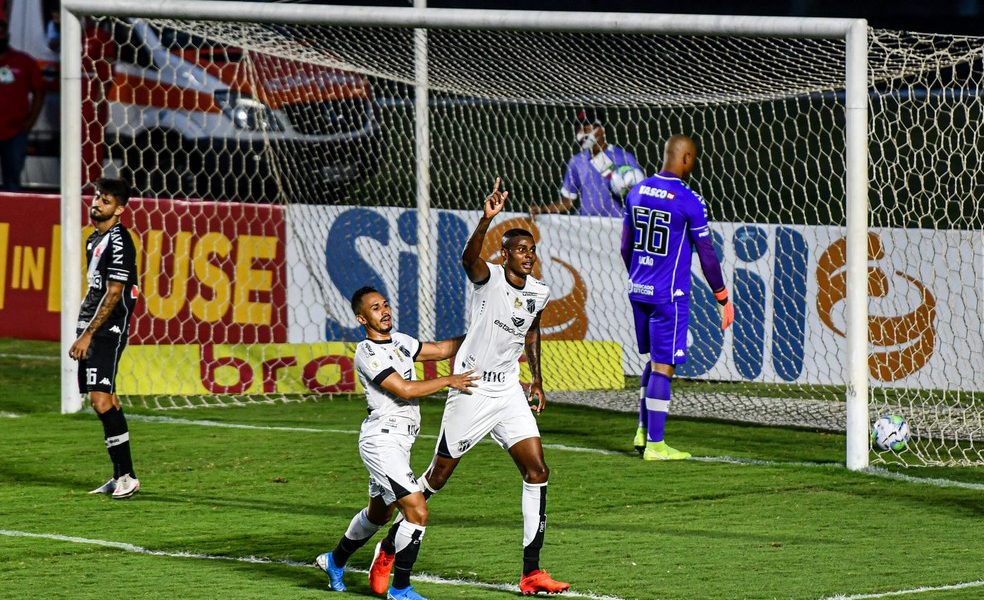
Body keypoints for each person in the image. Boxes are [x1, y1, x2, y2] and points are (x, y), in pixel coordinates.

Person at [369, 178, 571, 596]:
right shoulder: (489, 277)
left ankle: (532, 572)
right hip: (471, 387)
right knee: (438, 477)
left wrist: (536, 379)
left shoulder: (539, 292)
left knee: (537, 471)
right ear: (505, 254)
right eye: (520, 249)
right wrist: (485, 219)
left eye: (531, 249)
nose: (528, 256)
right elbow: (468, 258)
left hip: (509, 391)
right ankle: (389, 546)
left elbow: (531, 333)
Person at [316, 286, 478, 600]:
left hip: (400, 442)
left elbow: (441, 349)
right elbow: (404, 389)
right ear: (362, 318)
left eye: (385, 304)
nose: (385, 311)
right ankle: (401, 589)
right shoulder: (367, 352)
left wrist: (479, 332)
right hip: (381, 442)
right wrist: (448, 380)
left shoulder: (400, 341)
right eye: (375, 308)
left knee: (379, 515)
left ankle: (334, 561)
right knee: (417, 510)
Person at [621, 135, 735, 460]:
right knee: (664, 365)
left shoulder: (637, 191)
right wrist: (722, 297)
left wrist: (639, 276)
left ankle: (643, 431)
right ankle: (656, 445)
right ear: (685, 159)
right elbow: (707, 254)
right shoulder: (689, 199)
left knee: (654, 361)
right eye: (693, 159)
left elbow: (625, 246)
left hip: (638, 290)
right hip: (668, 295)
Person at [68, 178, 142, 498]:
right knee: (106, 400)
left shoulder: (119, 240)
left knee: (100, 401)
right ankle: (121, 475)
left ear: (120, 209)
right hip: (93, 325)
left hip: (107, 329)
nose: (97, 203)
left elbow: (114, 293)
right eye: (97, 197)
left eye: (106, 200)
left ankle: (127, 476)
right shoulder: (94, 239)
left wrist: (88, 334)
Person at [530, 109, 643, 218]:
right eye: (578, 129)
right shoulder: (576, 161)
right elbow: (567, 202)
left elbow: (640, 196)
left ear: (601, 129)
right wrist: (543, 209)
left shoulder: (623, 157)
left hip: (616, 224)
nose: (580, 134)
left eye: (586, 128)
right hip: (587, 225)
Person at [0, 15, 45, 192]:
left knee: (12, 181)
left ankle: (11, 209)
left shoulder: (24, 61)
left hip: (15, 131)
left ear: (7, 35)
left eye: (2, 33)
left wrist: (30, 121)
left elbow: (39, 91)